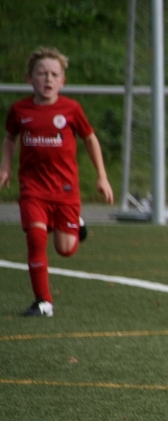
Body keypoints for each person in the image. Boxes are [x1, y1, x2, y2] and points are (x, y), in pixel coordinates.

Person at [0, 47, 114, 317]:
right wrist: (5, 167)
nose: (48, 79)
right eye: (41, 73)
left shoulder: (71, 109)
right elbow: (10, 138)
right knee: (36, 237)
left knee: (65, 250)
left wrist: (102, 176)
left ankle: (77, 224)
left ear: (63, 81)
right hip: (33, 188)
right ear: (29, 78)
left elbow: (90, 139)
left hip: (65, 190)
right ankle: (43, 302)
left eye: (54, 74)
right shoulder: (19, 110)